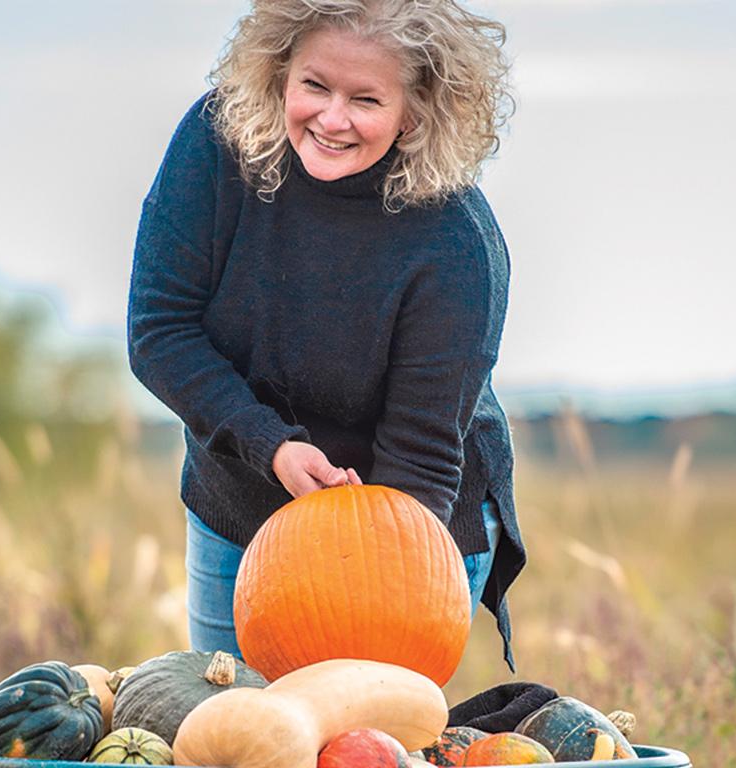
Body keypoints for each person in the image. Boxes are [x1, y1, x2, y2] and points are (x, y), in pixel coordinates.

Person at [127, 0, 525, 670]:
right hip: (239, 495)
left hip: (407, 523)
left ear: (417, 109)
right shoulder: (217, 143)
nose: (331, 119)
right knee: (236, 728)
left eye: (365, 99)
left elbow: (421, 458)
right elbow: (159, 330)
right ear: (280, 72)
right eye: (315, 86)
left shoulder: (456, 240)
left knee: (355, 731)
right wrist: (270, 446)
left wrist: (346, 636)